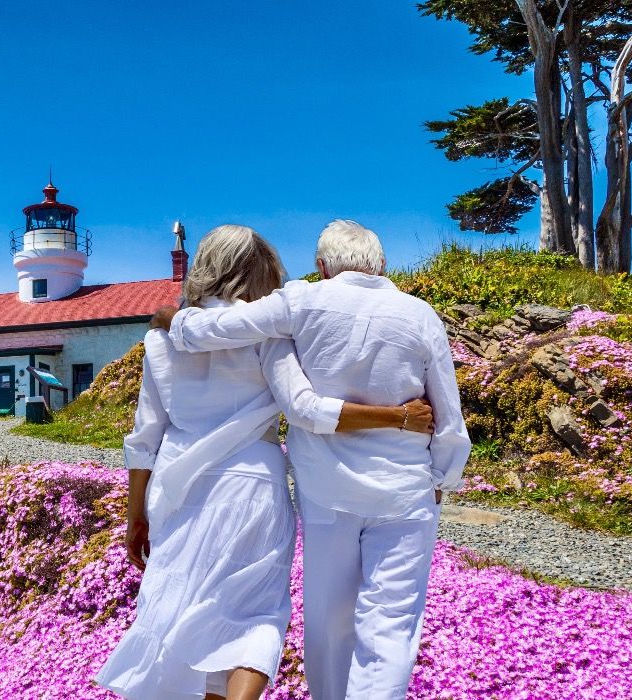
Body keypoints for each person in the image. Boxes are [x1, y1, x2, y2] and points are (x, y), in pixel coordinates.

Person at [95, 225, 434, 700]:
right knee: (255, 616)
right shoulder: (270, 337)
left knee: (181, 611)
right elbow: (304, 406)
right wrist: (396, 417)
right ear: (262, 272)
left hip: (177, 488)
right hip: (253, 484)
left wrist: (135, 515)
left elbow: (144, 437)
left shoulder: (160, 340)